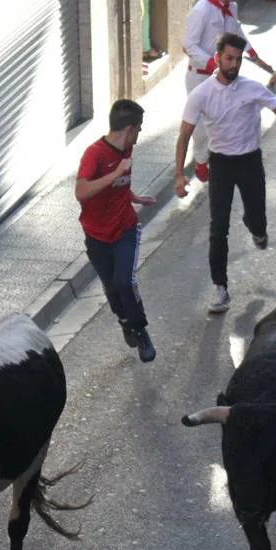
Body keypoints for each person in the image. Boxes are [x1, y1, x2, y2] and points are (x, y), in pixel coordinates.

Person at [175, 32, 276, 315]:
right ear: (217, 58)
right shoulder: (201, 94)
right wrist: (179, 175)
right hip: (222, 165)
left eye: (239, 60)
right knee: (219, 227)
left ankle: (255, 227)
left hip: (250, 162)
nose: (234, 64)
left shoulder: (251, 88)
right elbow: (183, 136)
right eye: (229, 58)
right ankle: (220, 288)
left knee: (259, 221)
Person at [75, 100, 159, 362]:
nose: (140, 134)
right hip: (96, 234)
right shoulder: (94, 154)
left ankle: (141, 331)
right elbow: (82, 192)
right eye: (140, 128)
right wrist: (115, 174)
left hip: (125, 228)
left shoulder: (128, 148)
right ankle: (124, 320)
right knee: (112, 287)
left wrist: (134, 197)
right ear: (130, 128)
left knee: (125, 281)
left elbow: (119, 187)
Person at [183, 0, 276, 182]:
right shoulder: (201, 10)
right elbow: (189, 44)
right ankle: (200, 160)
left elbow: (237, 31)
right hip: (200, 76)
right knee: (201, 121)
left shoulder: (231, 7)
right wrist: (212, 63)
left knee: (224, 117)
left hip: (225, 76)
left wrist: (254, 56)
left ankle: (220, 157)